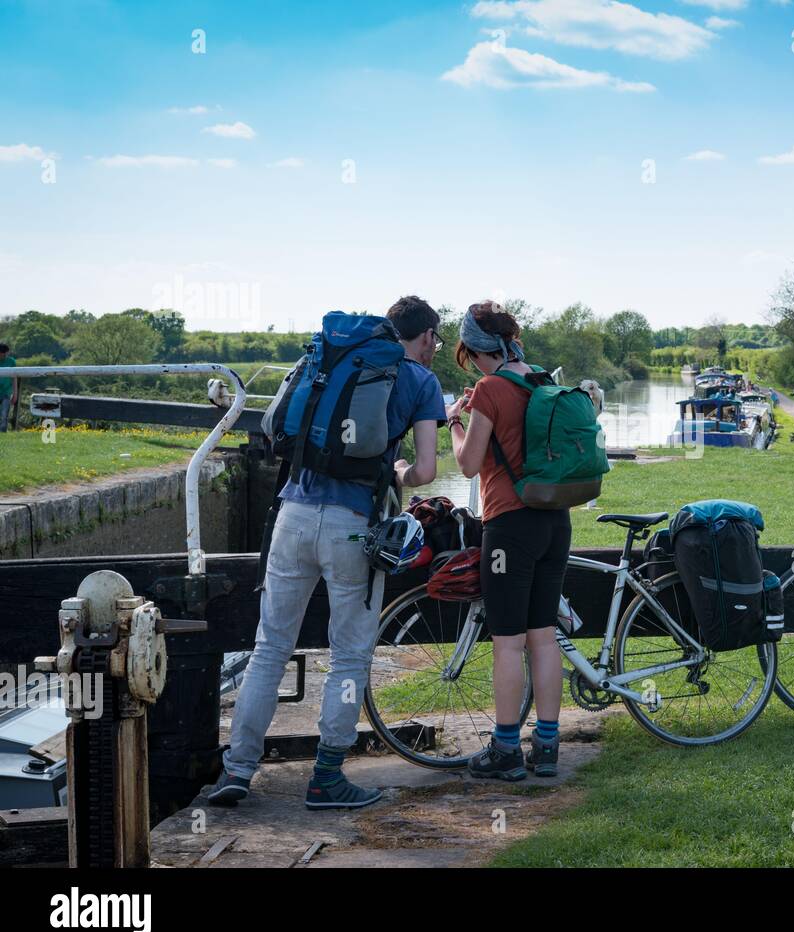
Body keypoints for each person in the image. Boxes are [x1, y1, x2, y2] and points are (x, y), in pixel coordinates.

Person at [209, 296, 447, 810]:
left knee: (269, 648)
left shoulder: (335, 359)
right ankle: (328, 778)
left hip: (291, 516)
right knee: (349, 656)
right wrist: (400, 470)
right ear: (426, 337)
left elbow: (279, 428)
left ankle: (237, 770)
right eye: (437, 340)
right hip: (354, 526)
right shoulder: (422, 383)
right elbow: (425, 473)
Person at [446, 301, 569, 781]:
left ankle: (504, 750)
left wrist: (456, 421)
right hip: (554, 521)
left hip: (510, 528)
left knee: (506, 643)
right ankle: (548, 747)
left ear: (477, 351)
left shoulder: (490, 389)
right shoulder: (540, 377)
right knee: (543, 637)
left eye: (469, 354)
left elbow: (468, 464)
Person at [0, 344, 15, 432]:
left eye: (6, 353)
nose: (5, 355)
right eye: (3, 354)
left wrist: (15, 394)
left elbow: (14, 378)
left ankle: (2, 432)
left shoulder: (11, 361)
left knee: (4, 414)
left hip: (6, 392)